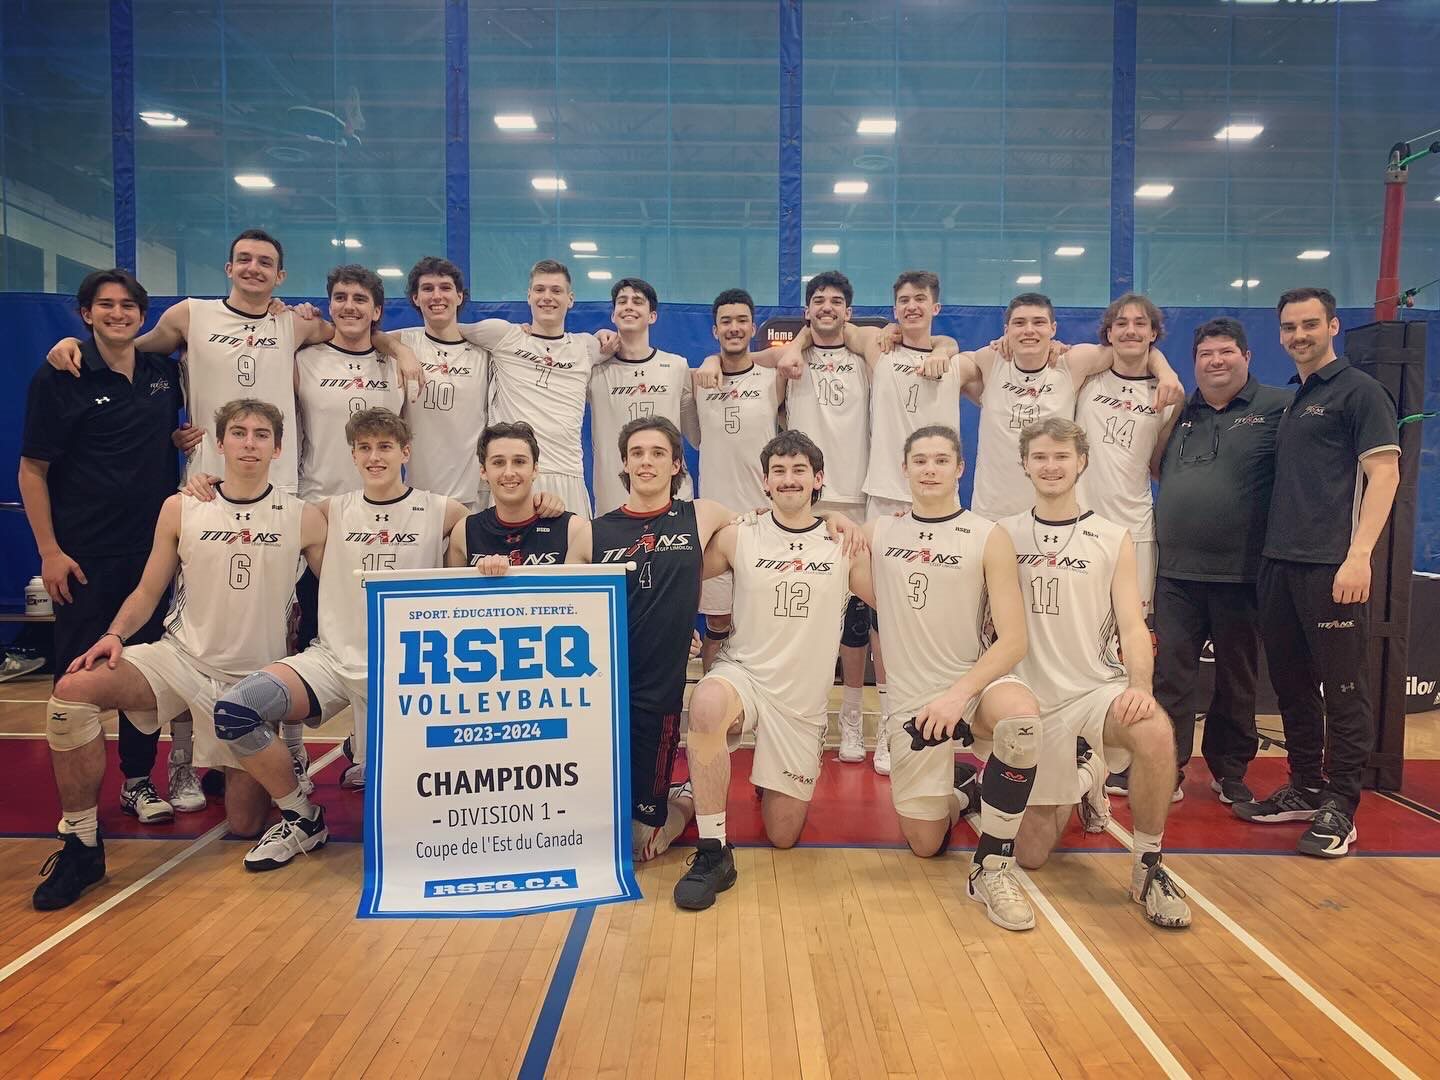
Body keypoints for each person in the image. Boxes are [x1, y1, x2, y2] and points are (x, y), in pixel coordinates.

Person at [31, 399, 322, 909]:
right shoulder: (182, 506)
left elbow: (343, 591)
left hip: (250, 686)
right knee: (72, 694)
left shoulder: (304, 517)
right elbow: (148, 591)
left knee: (246, 824)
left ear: (278, 448)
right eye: (238, 432)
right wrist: (116, 635)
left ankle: (271, 770)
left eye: (260, 435)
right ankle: (80, 843)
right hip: (180, 657)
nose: (249, 443)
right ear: (220, 441)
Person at [205, 408, 464, 850]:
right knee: (236, 711)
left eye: (385, 447)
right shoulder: (327, 512)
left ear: (405, 451)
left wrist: (543, 503)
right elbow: (249, 502)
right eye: (364, 448)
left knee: (399, 811)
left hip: (407, 669)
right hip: (332, 658)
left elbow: (504, 525)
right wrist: (204, 486)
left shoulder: (443, 511)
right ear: (353, 455)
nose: (374, 457)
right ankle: (302, 816)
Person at [850, 425, 1044, 931]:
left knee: (1021, 719)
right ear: (905, 470)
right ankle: (968, 793)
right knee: (925, 842)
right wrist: (827, 521)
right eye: (920, 461)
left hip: (974, 687)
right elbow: (828, 543)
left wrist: (959, 695)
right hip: (912, 701)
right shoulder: (879, 531)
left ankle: (992, 867)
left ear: (960, 468)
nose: (930, 470)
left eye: (941, 460)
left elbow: (1014, 641)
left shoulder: (987, 535)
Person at [1000, 418, 1191, 929]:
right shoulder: (1004, 534)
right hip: (1028, 701)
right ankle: (1090, 774)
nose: (1051, 466)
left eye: (1062, 456)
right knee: (1034, 855)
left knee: (1153, 730)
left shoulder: (1112, 537)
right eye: (1039, 456)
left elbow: (1132, 626)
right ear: (1024, 465)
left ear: (1082, 462)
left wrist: (1141, 688)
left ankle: (1149, 865)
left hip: (1091, 690)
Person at [19, 269, 194, 824]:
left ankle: (138, 781)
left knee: (142, 673)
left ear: (143, 316)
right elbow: (31, 470)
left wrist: (176, 440)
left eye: (128, 307)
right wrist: (49, 550)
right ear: (86, 313)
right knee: (76, 678)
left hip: (153, 554)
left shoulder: (162, 374)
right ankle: (78, 809)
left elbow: (149, 437)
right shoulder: (60, 375)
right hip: (84, 555)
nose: (118, 314)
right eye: (106, 305)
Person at [1235, 287, 1401, 858]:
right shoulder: (1298, 398)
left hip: (1332, 569)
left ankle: (1341, 806)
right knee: (1292, 687)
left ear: (1332, 326)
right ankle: (1305, 786)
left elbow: (1384, 476)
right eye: (1288, 327)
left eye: (1309, 324)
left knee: (1345, 689)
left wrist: (1358, 558)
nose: (1298, 335)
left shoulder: (1360, 392)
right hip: (1279, 565)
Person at [673, 431, 860, 910]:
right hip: (745, 676)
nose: (789, 478)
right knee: (708, 703)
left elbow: (898, 600)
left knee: (783, 836)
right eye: (779, 470)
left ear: (819, 479)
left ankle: (764, 779)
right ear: (765, 482)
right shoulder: (740, 535)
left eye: (800, 470)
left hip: (800, 702)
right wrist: (675, 630)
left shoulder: (842, 543)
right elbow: (679, 573)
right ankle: (714, 850)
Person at [566, 417, 746, 865]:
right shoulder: (591, 532)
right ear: (624, 464)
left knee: (638, 846)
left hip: (656, 699)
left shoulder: (702, 515)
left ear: (676, 464)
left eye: (658, 453)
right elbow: (563, 611)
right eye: (638, 454)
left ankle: (682, 799)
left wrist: (836, 519)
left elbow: (770, 534)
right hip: (598, 698)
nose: (646, 462)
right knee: (583, 830)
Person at [1141, 318, 1291, 806]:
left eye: (1226, 352)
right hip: (1176, 574)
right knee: (1171, 677)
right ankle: (1170, 767)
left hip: (1243, 574)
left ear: (1247, 357)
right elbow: (1155, 465)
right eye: (1206, 354)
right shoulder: (1182, 411)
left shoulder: (1277, 407)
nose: (1216, 361)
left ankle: (1230, 771)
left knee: (1237, 678)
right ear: (1195, 362)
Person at [772, 271, 873, 765]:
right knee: (807, 616)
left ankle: (852, 717)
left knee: (861, 617)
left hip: (858, 498)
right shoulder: (789, 361)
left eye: (837, 301)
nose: (827, 307)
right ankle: (806, 717)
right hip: (804, 502)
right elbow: (734, 363)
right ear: (807, 310)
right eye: (818, 301)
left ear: (849, 311)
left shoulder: (868, 356)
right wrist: (796, 342)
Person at [969, 292, 1182, 522]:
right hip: (992, 513)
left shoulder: (1072, 366)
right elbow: (952, 356)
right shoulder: (991, 362)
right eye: (1019, 323)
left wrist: (1165, 372)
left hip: (1059, 515)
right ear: (1006, 330)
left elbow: (1134, 348)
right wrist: (942, 348)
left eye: (1038, 322)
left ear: (1053, 329)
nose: (1029, 330)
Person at [455, 259, 618, 517]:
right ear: (528, 296)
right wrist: (396, 348)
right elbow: (436, 332)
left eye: (556, 290)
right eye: (540, 290)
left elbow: (625, 345)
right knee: (508, 558)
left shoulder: (586, 347)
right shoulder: (502, 335)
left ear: (571, 298)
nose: (547, 297)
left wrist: (606, 334)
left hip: (568, 475)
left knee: (573, 557)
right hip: (514, 475)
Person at [693, 288, 784, 671]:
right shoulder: (697, 381)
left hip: (763, 518)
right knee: (718, 622)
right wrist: (710, 361)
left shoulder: (772, 378)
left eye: (741, 320)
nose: (734, 328)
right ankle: (708, 699)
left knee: (763, 622)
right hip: (716, 519)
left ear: (753, 326)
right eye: (726, 321)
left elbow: (791, 351)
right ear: (715, 330)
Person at [1073, 293, 1176, 619]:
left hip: (1136, 528)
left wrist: (1166, 372)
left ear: (1153, 333)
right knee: (1081, 620)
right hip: (1081, 523)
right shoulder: (1085, 379)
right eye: (1121, 324)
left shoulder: (1170, 394)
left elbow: (1156, 463)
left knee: (1131, 626)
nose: (1130, 330)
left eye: (1140, 323)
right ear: (1109, 333)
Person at [587, 277, 699, 516]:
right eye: (622, 301)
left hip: (673, 498)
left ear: (652, 316)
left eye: (637, 301)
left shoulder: (676, 366)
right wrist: (593, 346)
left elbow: (697, 436)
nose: (629, 306)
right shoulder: (594, 370)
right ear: (613, 314)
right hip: (613, 500)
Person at [295, 266, 407, 502]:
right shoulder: (303, 360)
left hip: (383, 501)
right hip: (318, 499)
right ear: (330, 307)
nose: (349, 306)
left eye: (360, 299)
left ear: (376, 311)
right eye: (340, 298)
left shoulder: (398, 365)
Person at [397, 256, 490, 509]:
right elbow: (365, 335)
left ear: (460, 296)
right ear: (416, 298)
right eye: (427, 289)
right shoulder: (404, 343)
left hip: (473, 495)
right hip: (418, 496)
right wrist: (401, 351)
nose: (437, 296)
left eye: (445, 288)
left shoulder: (485, 351)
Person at [446, 421, 583, 568]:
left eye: (519, 461)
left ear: (535, 469)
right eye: (498, 462)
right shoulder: (464, 533)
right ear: (483, 472)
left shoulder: (573, 530)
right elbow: (454, 589)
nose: (509, 473)